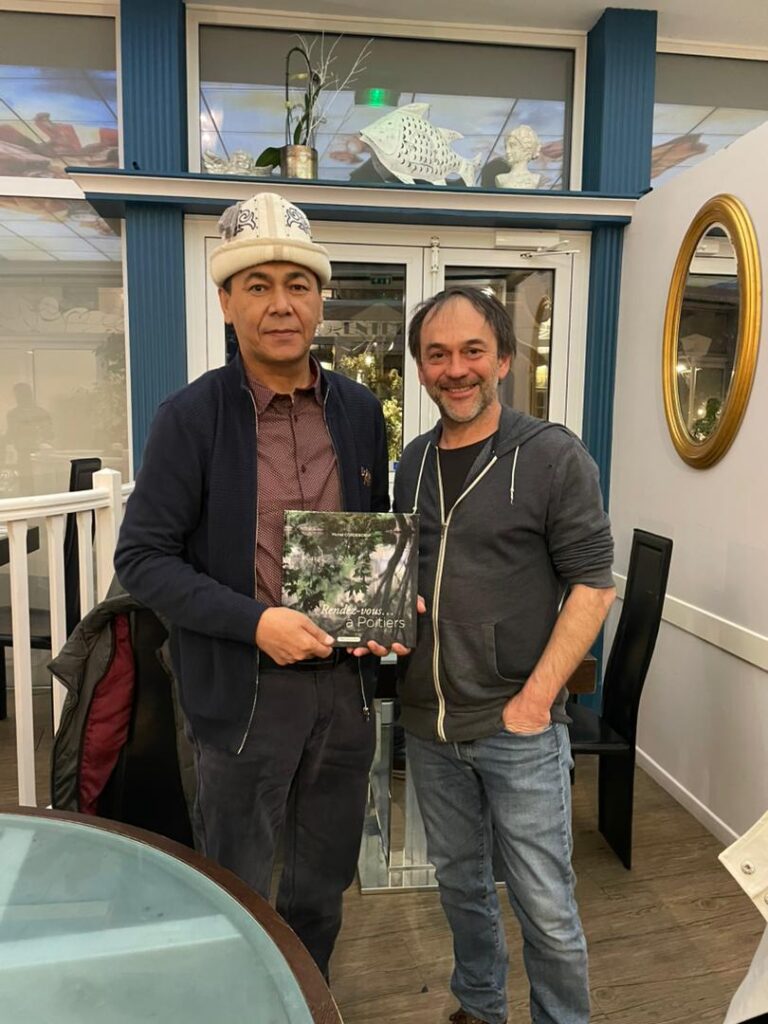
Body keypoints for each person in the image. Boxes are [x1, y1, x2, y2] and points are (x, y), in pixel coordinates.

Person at [114, 191, 392, 977]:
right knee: (236, 884)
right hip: (243, 694)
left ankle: (307, 997)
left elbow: (369, 534)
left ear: (320, 298)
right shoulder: (190, 418)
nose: (280, 305)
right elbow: (142, 558)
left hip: (343, 690)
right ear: (226, 301)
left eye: (297, 284)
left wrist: (384, 598)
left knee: (322, 882)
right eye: (258, 285)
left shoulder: (360, 412)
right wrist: (256, 623)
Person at [393, 286, 616, 1024]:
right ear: (421, 369)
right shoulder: (413, 463)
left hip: (518, 727)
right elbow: (411, 573)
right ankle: (479, 1007)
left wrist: (534, 701)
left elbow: (593, 585)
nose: (455, 369)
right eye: (437, 355)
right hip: (430, 726)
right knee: (460, 887)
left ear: (504, 361)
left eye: (472, 351)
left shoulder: (552, 456)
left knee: (545, 906)